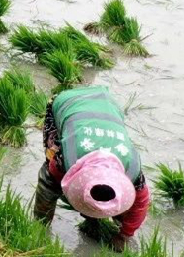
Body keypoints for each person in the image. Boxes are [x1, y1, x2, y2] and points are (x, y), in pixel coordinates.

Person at [34, 86, 150, 253]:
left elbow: (140, 205)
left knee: (122, 213)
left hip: (108, 107)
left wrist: (124, 235)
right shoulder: (66, 159)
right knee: (49, 182)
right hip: (68, 103)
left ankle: (97, 215)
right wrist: (40, 230)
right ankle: (39, 224)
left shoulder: (132, 172)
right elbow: (47, 183)